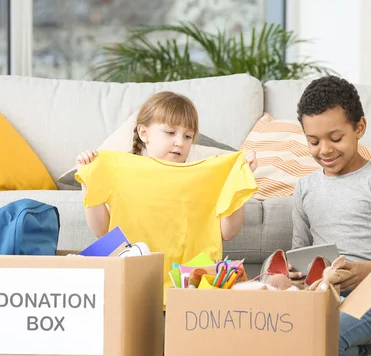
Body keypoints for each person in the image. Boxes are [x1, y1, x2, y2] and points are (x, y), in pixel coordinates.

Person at [75, 91, 258, 300]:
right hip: (135, 287)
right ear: (144, 133)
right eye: (170, 132)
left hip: (189, 290)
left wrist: (238, 180)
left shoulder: (208, 176)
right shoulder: (119, 170)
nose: (180, 142)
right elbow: (102, 232)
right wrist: (89, 179)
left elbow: (228, 232)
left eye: (188, 136)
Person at [289, 75, 371, 356]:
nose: (325, 150)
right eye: (313, 141)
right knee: (288, 334)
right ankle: (369, 346)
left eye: (336, 138)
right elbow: (299, 250)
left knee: (318, 339)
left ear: (359, 127)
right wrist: (295, 276)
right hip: (323, 294)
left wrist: (366, 269)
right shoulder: (305, 188)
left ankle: (369, 338)